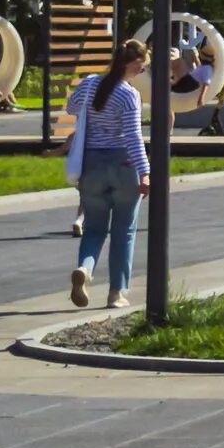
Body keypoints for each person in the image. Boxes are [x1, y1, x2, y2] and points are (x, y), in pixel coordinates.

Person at [61, 39, 152, 308]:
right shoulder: (128, 94)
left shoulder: (89, 84)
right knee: (124, 231)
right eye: (142, 68)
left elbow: (71, 108)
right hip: (122, 164)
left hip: (91, 165)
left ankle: (85, 270)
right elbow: (134, 137)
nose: (141, 72)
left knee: (94, 229)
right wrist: (145, 173)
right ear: (134, 64)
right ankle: (116, 293)